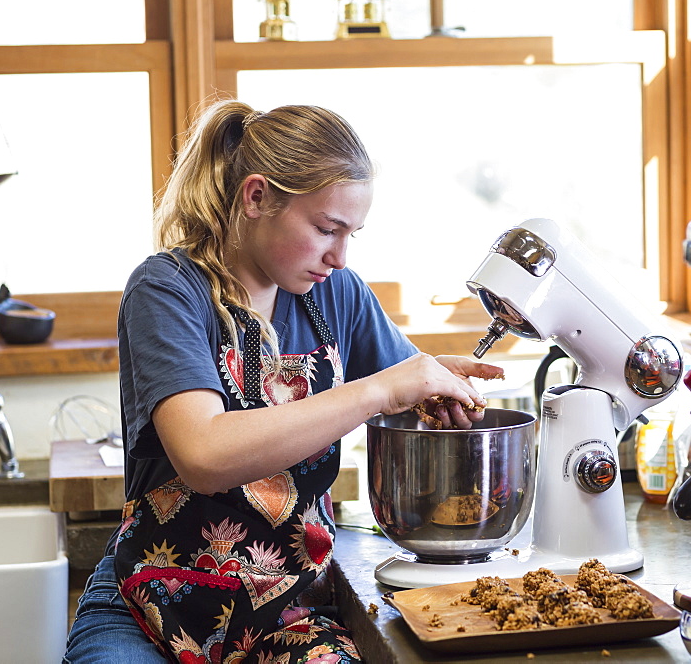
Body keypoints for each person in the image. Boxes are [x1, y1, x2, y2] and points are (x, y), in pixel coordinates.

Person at [64, 100, 501, 663]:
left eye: (352, 235)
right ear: (256, 197)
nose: (339, 256)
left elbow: (416, 393)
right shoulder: (166, 290)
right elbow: (204, 453)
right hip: (151, 607)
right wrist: (380, 389)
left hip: (289, 613)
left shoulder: (336, 296)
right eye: (325, 229)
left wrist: (440, 394)